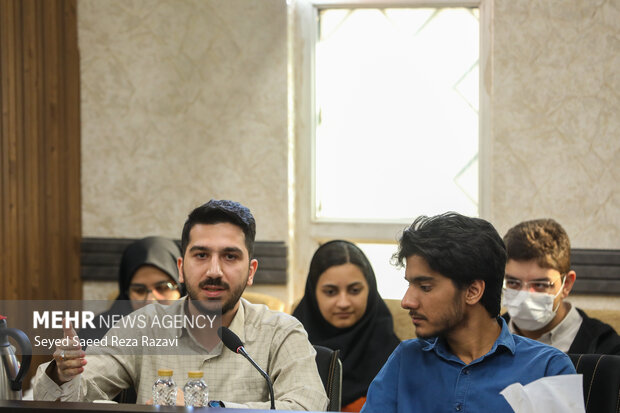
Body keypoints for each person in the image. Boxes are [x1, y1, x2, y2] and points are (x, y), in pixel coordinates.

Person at [33, 200, 328, 410]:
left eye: (230, 256)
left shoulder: (281, 332)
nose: (214, 270)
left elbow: (307, 406)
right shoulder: (145, 325)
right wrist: (63, 374)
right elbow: (64, 396)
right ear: (181, 269)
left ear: (251, 271)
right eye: (201, 255)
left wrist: (210, 408)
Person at [361, 212, 576, 413]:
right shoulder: (405, 360)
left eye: (425, 287)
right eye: (409, 285)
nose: (407, 302)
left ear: (473, 292)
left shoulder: (548, 368)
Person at [293, 240, 400, 412]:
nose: (343, 303)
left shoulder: (396, 359)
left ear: (370, 290)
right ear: (313, 293)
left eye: (354, 290)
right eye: (330, 292)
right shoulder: (290, 348)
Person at [502, 218, 620, 355]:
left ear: (566, 284)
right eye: (513, 283)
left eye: (540, 285)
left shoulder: (606, 349)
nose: (524, 297)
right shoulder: (486, 337)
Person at [80, 236, 184, 343]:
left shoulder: (194, 332)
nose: (150, 301)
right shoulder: (97, 334)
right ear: (127, 294)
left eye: (162, 288)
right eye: (139, 290)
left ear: (181, 288)